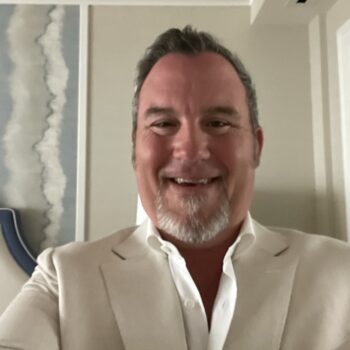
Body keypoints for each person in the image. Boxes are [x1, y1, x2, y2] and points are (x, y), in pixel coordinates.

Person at [1, 26, 350, 350]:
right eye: (164, 123)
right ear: (135, 149)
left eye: (218, 122)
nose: (190, 148)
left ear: (256, 146)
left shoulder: (340, 274)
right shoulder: (62, 280)